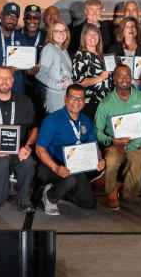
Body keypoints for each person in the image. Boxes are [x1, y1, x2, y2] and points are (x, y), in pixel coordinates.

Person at [36, 85, 106, 215]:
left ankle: (59, 191)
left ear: (84, 101)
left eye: (80, 98)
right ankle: (50, 197)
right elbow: (39, 149)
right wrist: (55, 167)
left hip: (75, 167)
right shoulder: (52, 120)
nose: (76, 102)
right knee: (70, 180)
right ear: (65, 99)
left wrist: (100, 158)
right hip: (50, 167)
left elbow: (94, 146)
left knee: (89, 203)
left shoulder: (86, 121)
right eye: (73, 98)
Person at [0, 68, 38, 212]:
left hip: (18, 151)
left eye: (8, 78)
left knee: (28, 162)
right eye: (0, 78)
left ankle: (23, 200)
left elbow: (34, 128)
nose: (4, 81)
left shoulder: (25, 101)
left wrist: (28, 146)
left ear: (13, 80)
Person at [94, 65, 141, 210]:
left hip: (136, 145)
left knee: (130, 196)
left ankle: (118, 184)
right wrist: (112, 141)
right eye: (120, 75)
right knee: (111, 161)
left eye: (127, 75)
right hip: (114, 146)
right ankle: (111, 191)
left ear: (131, 77)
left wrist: (128, 147)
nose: (124, 79)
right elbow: (97, 131)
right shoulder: (105, 103)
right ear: (114, 79)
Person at [72, 23, 112, 120]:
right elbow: (78, 82)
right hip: (90, 103)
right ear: (84, 37)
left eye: (95, 33)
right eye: (89, 34)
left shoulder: (101, 55)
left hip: (105, 102)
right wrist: (100, 78)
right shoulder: (81, 55)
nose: (93, 37)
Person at [37, 21, 75, 114]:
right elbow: (40, 75)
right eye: (57, 31)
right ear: (51, 33)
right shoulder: (49, 49)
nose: (61, 34)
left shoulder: (63, 49)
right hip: (55, 99)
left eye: (63, 30)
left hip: (65, 96)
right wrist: (60, 86)